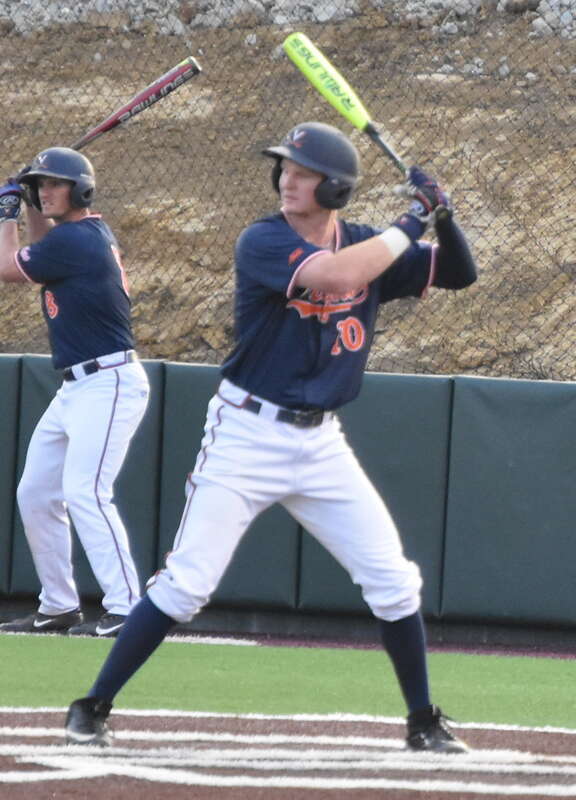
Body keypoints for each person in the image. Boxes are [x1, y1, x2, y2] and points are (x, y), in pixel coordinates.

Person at [65, 122, 477, 749]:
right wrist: (414, 219)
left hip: (321, 444)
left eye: (303, 171)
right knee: (187, 584)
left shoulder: (370, 243)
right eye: (283, 167)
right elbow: (336, 279)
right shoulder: (262, 239)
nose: (287, 179)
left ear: (334, 188)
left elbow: (460, 277)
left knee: (393, 579)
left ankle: (423, 720)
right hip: (245, 435)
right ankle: (92, 704)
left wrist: (442, 217)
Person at [0, 147, 149, 638]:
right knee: (36, 493)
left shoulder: (80, 240)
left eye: (55, 184)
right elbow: (40, 256)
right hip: (76, 388)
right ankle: (59, 604)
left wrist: (6, 216)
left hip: (108, 383)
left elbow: (7, 267)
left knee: (86, 493)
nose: (45, 191)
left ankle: (129, 608)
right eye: (40, 183)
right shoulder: (74, 238)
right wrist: (24, 208)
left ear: (81, 190)